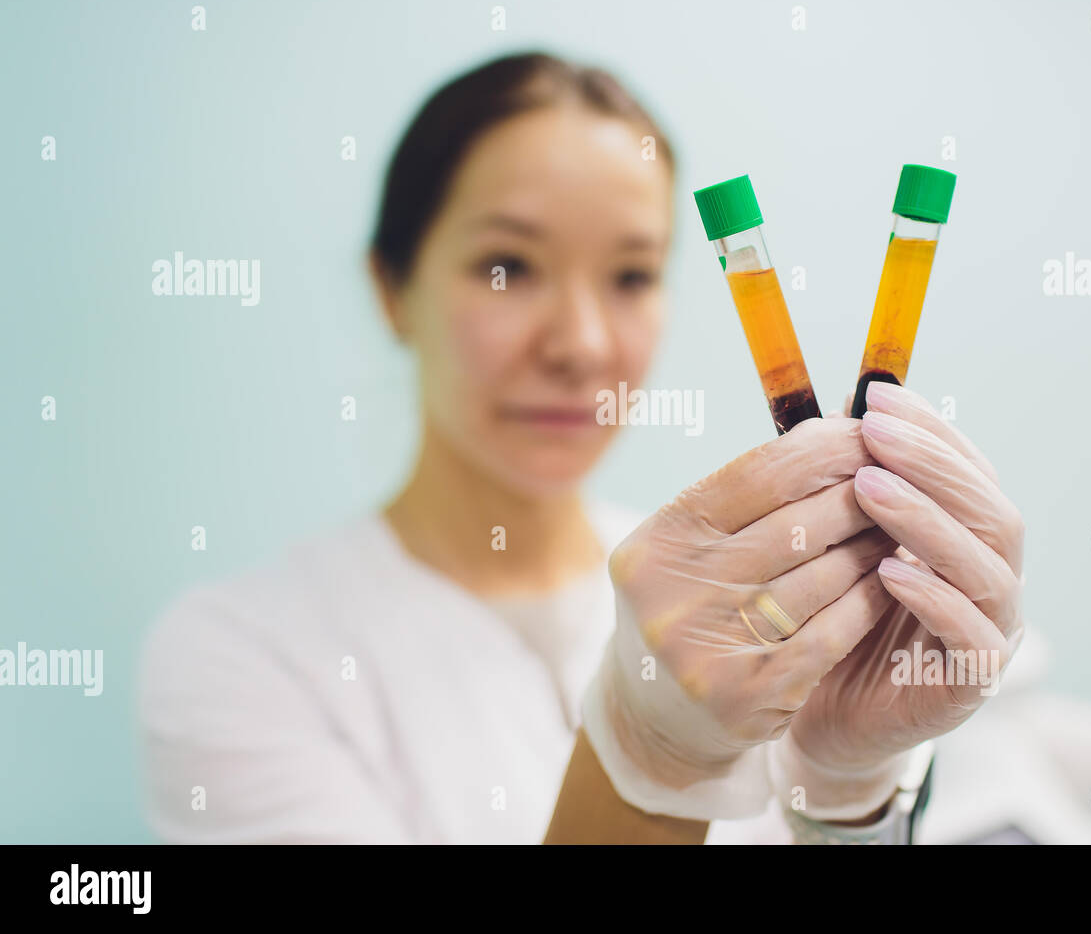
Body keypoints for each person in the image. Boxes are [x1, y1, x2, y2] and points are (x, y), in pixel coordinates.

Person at [138, 52, 1024, 844]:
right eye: (509, 267)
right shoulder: (239, 656)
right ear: (391, 287)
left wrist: (845, 798)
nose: (582, 345)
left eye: (632, 275)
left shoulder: (762, 599)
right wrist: (648, 758)